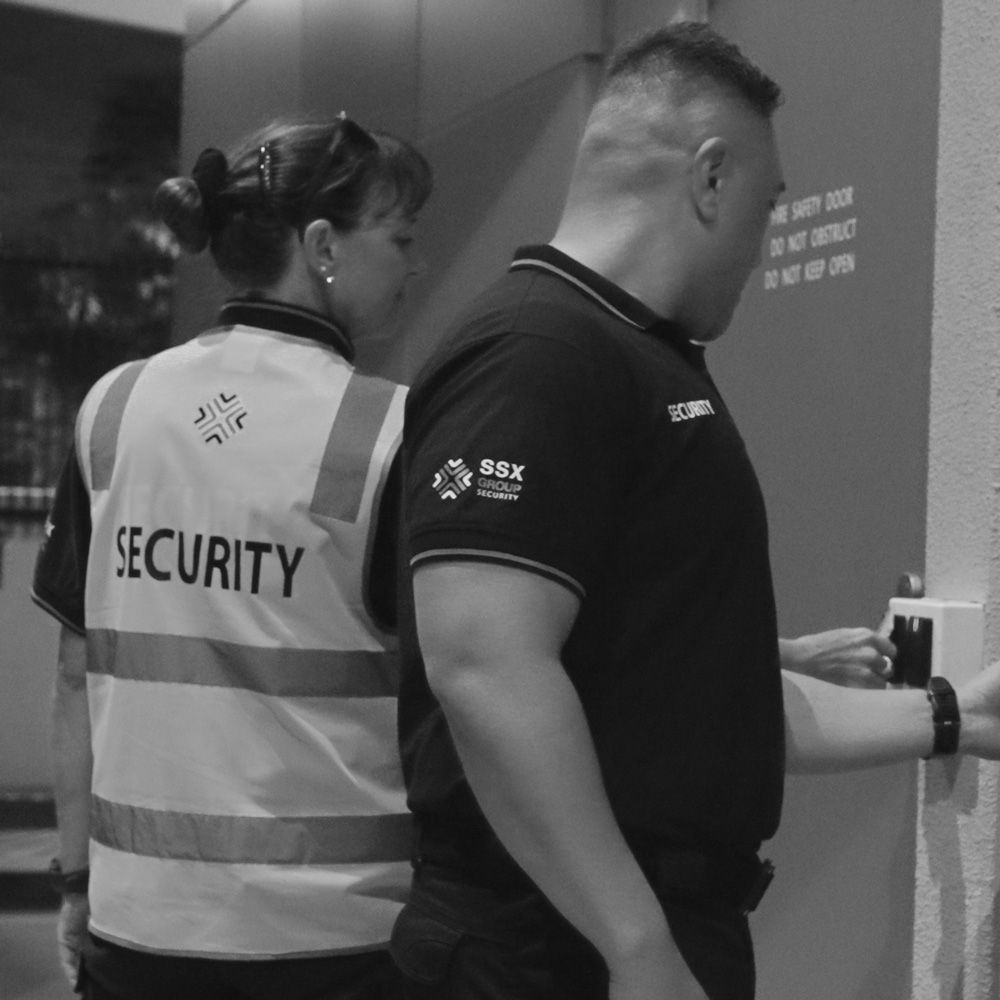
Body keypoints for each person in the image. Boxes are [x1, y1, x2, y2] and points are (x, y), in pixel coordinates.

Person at [388, 22, 1000, 1000]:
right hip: (549, 953)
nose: (760, 248)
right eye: (765, 207)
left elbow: (706, 709)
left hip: (621, 934)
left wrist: (946, 718)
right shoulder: (541, 351)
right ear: (711, 179)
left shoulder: (635, 357)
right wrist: (635, 946)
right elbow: (483, 664)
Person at [31, 113, 431, 1000]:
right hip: (337, 946)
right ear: (321, 243)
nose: (415, 263)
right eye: (400, 238)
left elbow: (73, 671)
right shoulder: (388, 429)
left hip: (136, 930)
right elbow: (469, 676)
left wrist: (75, 881)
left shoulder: (117, 406)